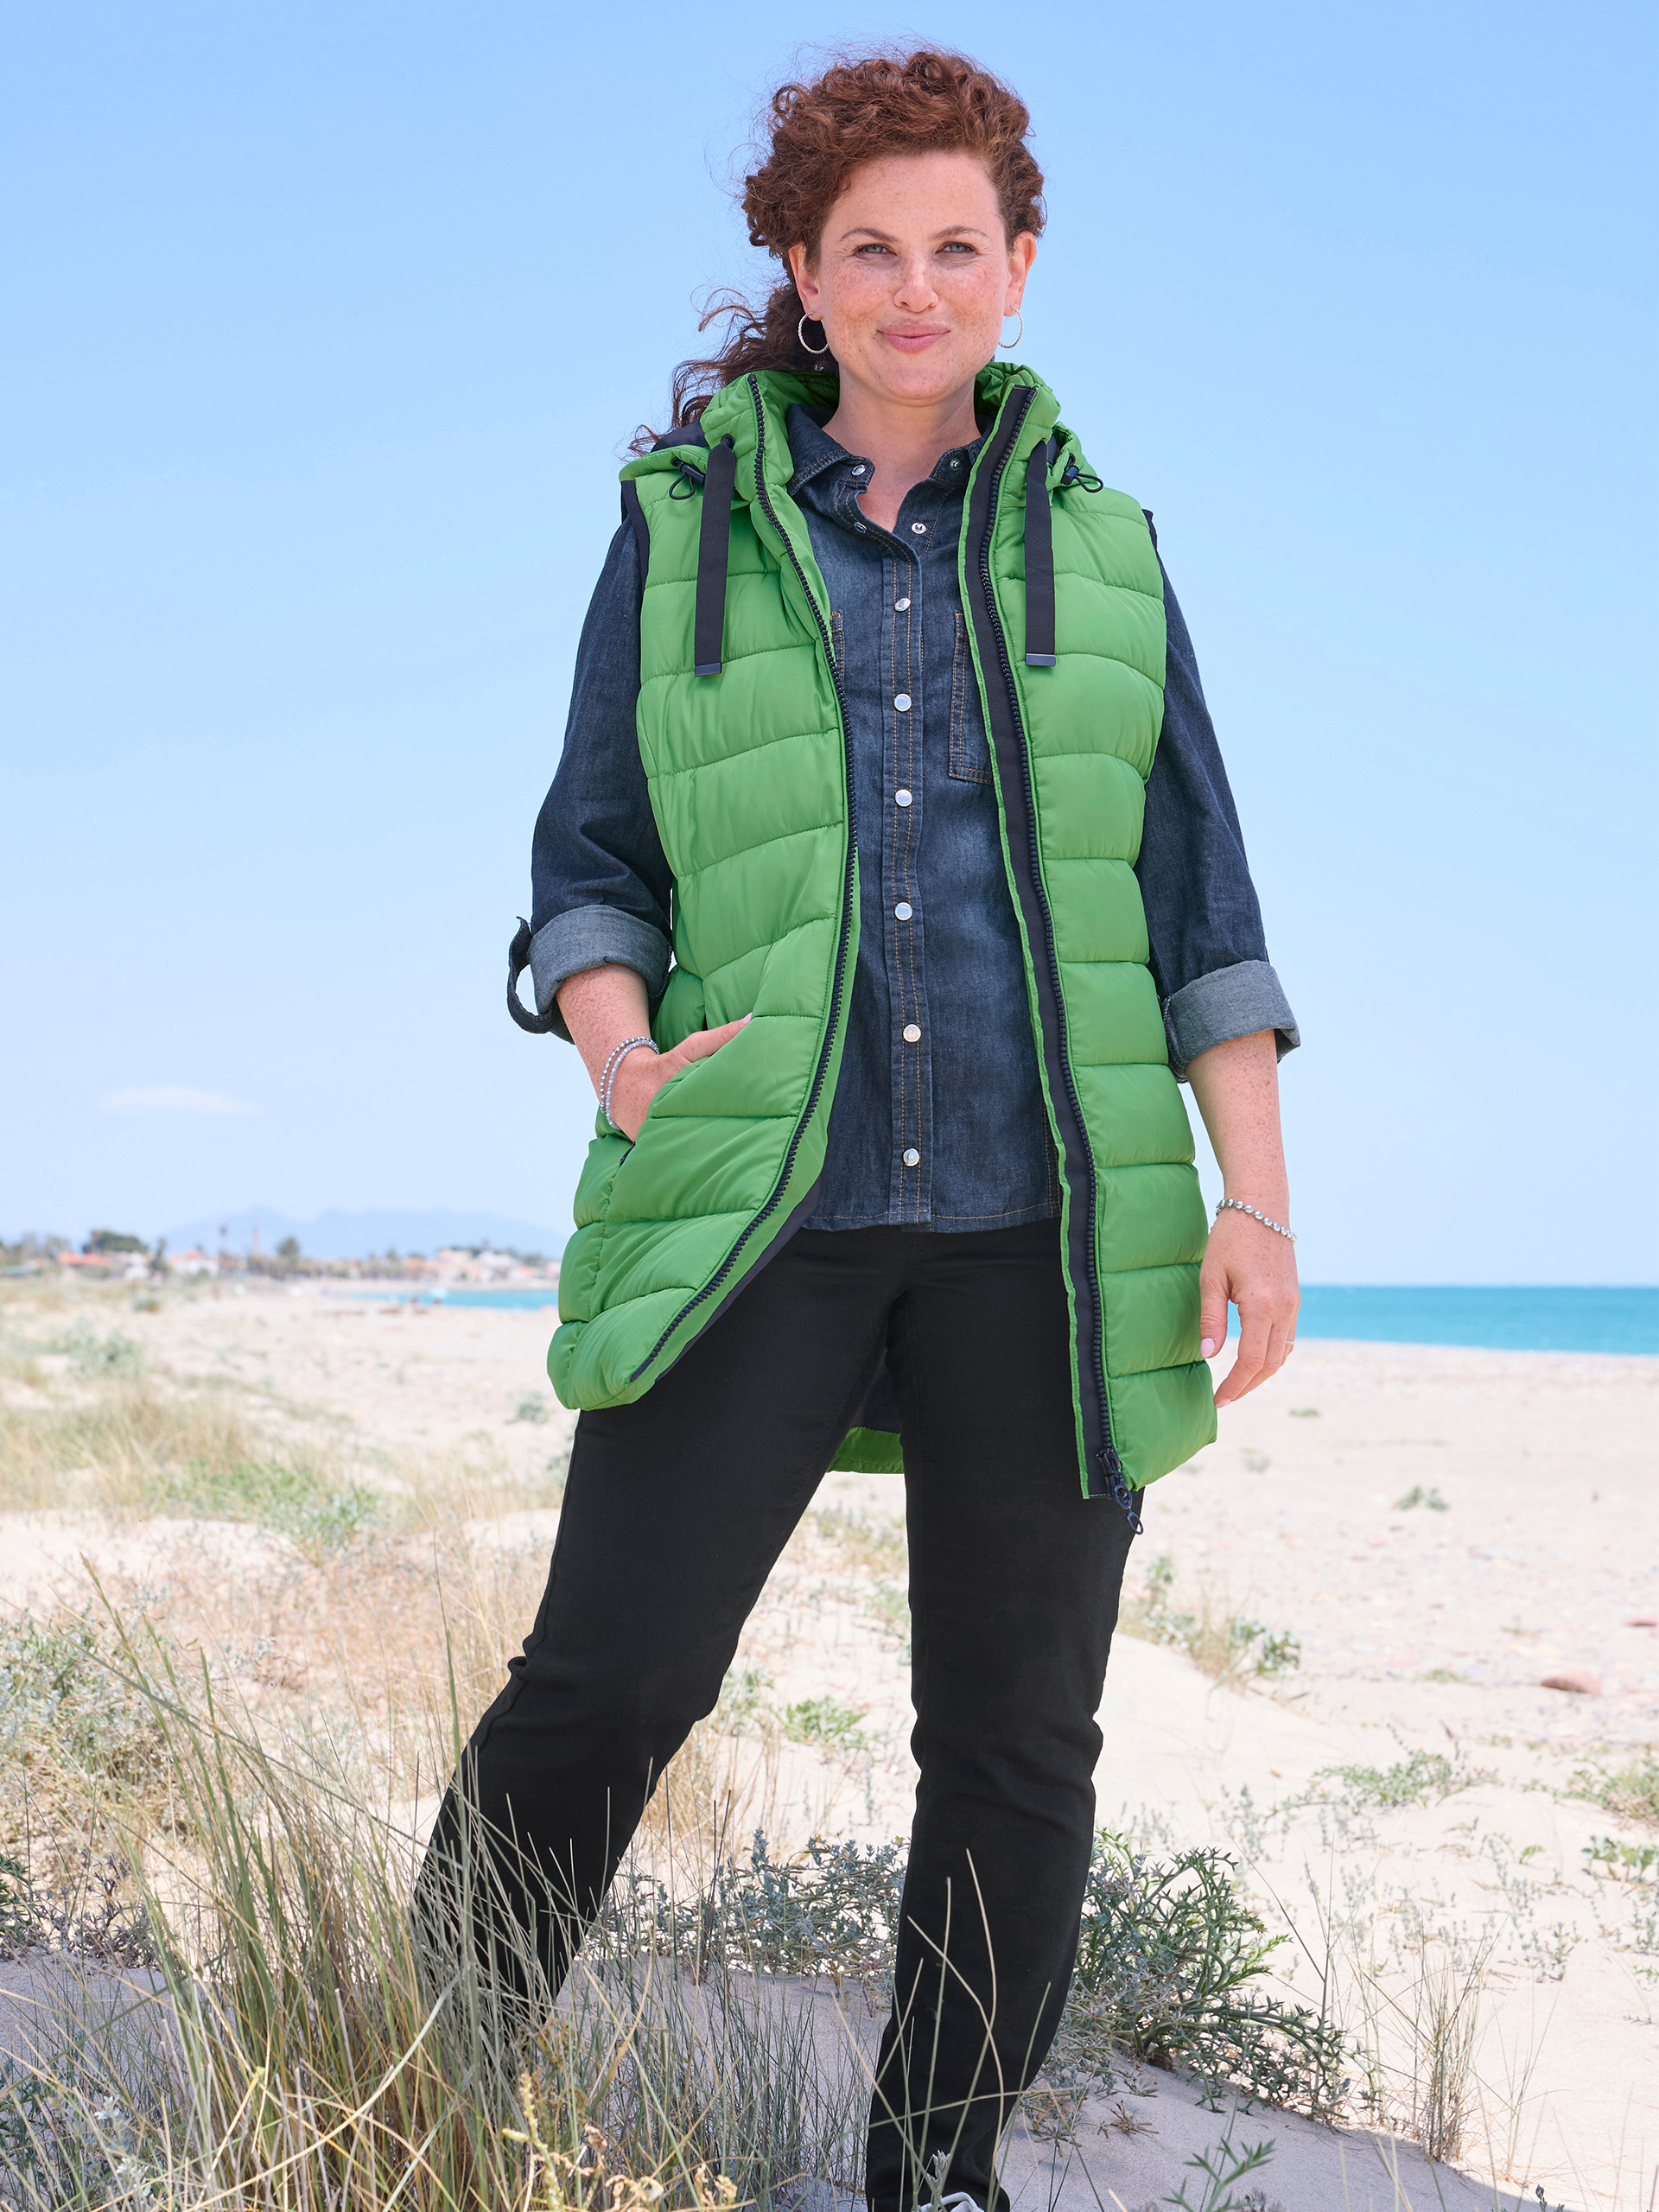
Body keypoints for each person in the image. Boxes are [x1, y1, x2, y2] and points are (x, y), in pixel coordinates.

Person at [422, 48, 1300, 2212]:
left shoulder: (1108, 552)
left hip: (1053, 1220)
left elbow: (1201, 904)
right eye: (871, 250)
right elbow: (590, 863)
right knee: (611, 1674)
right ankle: (405, 2071)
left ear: (1018, 269)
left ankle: (935, 2170)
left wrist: (1254, 1199)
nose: (917, 287)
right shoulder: (678, 531)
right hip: (758, 1201)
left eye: (957, 247)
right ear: (806, 277)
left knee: (1013, 1742)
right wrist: (624, 1058)